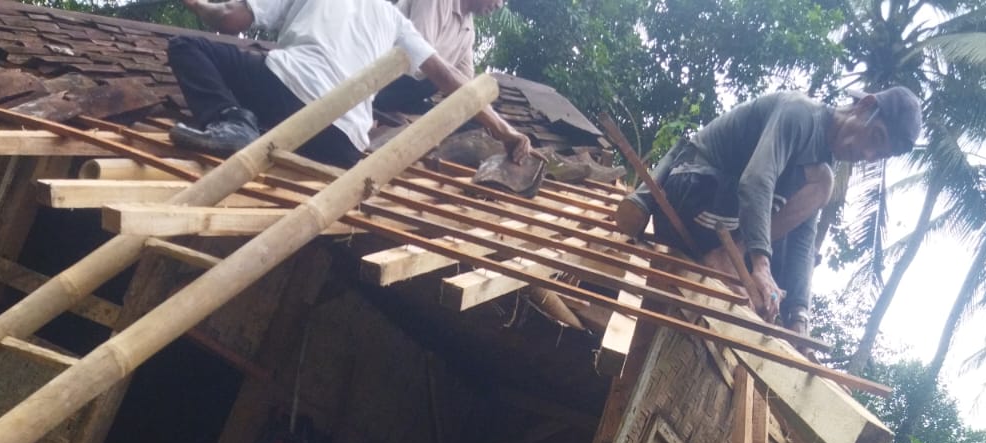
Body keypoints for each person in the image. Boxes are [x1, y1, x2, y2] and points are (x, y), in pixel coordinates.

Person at [613, 89, 923, 335]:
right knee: (821, 184)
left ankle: (733, 262)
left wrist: (799, 316)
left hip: (719, 222)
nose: (867, 154)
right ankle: (728, 259)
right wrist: (760, 265)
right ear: (865, 106)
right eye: (875, 138)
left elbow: (803, 239)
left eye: (878, 155)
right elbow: (756, 180)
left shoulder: (820, 163)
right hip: (691, 189)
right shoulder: (801, 114)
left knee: (776, 282)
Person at [167, 0, 533, 167]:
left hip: (287, 95)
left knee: (187, 47)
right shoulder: (393, 17)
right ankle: (252, 127)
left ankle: (232, 122)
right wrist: (505, 131)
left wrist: (198, 5)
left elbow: (230, 19)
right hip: (342, 143)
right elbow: (450, 78)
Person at [377, 0, 506, 113]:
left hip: (406, 91)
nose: (499, 5)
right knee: (439, 76)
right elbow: (420, 57)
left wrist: (483, 110)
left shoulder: (468, 30)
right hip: (379, 77)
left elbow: (465, 80)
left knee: (464, 119)